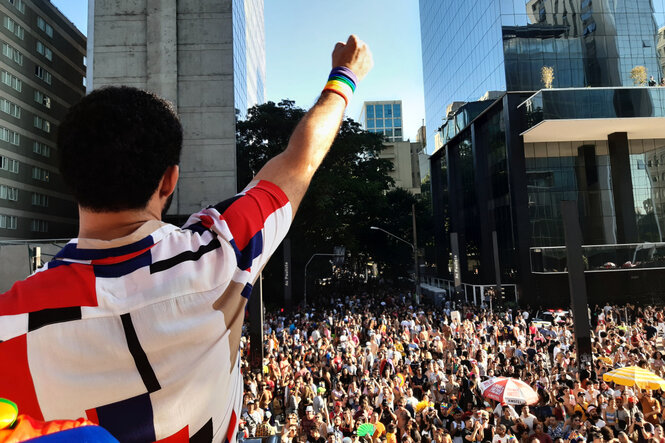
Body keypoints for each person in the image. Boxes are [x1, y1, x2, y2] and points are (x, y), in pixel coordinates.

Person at [0, 35, 373, 442]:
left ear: (70, 180)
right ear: (169, 180)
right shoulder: (220, 252)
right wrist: (344, 77)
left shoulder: (8, 325)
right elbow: (299, 162)